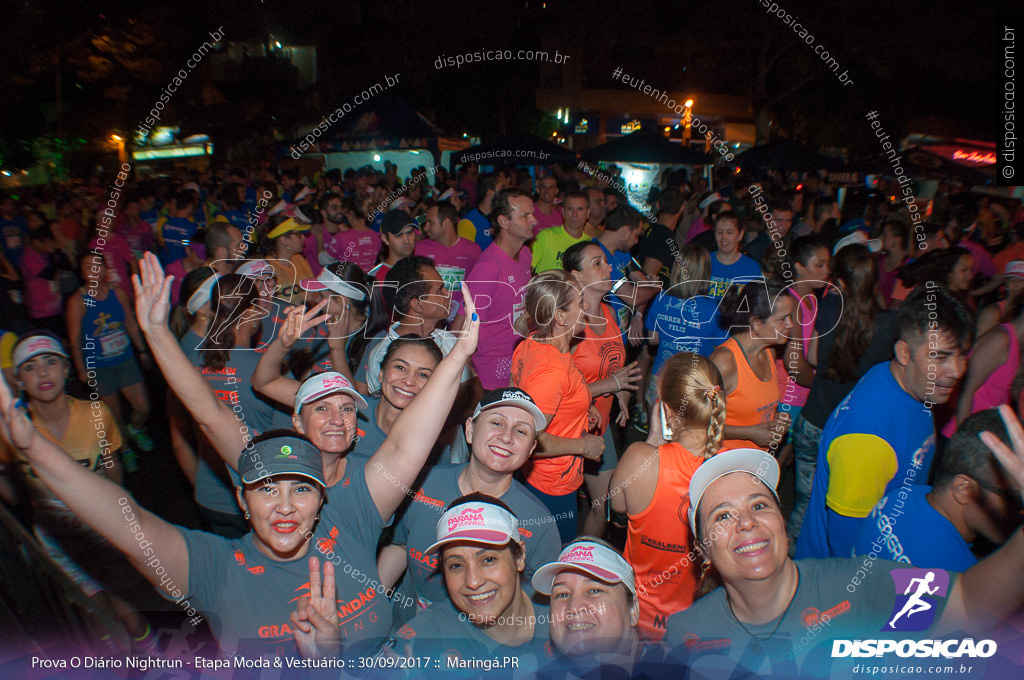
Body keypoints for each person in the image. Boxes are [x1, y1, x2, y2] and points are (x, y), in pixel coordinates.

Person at [130, 252, 481, 651]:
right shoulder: (281, 470)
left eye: (345, 408)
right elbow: (212, 413)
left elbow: (403, 497)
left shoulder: (377, 476)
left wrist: (372, 597)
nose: (335, 418)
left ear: (356, 418)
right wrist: (157, 332)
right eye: (321, 408)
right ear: (298, 421)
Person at [664, 439, 1024, 678]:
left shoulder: (862, 587)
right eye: (723, 516)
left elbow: (969, 602)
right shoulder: (685, 633)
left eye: (760, 505)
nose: (746, 522)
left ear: (782, 523)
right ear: (704, 549)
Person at [0, 333, 156, 652]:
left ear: (67, 368)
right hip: (58, 542)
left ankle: (154, 659)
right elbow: (14, 495)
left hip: (103, 531)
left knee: (129, 612)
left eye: (51, 362)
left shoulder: (95, 413)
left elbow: (113, 466)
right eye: (30, 367)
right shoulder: (13, 433)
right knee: (96, 617)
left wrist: (115, 512)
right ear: (18, 379)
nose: (43, 373)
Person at [795, 285, 973, 559]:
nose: (957, 370)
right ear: (904, 353)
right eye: (940, 356)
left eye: (961, 354)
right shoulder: (867, 441)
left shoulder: (896, 378)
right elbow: (849, 554)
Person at [378, 388, 561, 619]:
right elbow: (399, 546)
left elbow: (542, 602)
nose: (506, 437)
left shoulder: (539, 523)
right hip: (405, 630)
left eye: (521, 431)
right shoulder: (422, 483)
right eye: (496, 423)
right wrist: (369, 609)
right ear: (470, 430)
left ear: (531, 449)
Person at [786, 243, 899, 550]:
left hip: (814, 420)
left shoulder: (827, 309)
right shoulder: (889, 323)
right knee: (839, 510)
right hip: (853, 431)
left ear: (842, 281)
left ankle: (793, 561)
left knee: (804, 501)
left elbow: (810, 357)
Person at [610, 352, 725, 642]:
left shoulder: (639, 460)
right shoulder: (734, 469)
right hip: (701, 622)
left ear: (667, 412)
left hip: (637, 616)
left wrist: (652, 441)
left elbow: (616, 510)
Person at [384, 494, 555, 672]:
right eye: (456, 565)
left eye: (488, 559)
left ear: (519, 557)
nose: (473, 581)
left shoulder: (565, 613)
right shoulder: (424, 641)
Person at [855, 409, 1019, 571]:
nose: (1020, 510)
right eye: (1013, 496)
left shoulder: (900, 497)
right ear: (963, 489)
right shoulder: (955, 578)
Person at [512, 270, 603, 542]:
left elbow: (518, 399)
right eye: (579, 302)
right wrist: (583, 446)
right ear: (561, 316)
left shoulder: (532, 344)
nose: (586, 307)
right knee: (551, 564)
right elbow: (526, 437)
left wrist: (583, 406)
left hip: (540, 481)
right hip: (550, 486)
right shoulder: (552, 371)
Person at [563, 241, 641, 537]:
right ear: (577, 275)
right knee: (562, 512)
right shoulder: (567, 322)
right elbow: (561, 389)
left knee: (604, 505)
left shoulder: (610, 314)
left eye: (606, 262)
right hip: (567, 429)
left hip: (600, 424)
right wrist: (612, 384)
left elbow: (612, 364)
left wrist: (620, 392)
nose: (609, 267)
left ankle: (584, 566)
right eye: (597, 263)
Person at [65, 253, 153, 453]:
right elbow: (74, 338)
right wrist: (81, 368)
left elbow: (130, 324)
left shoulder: (118, 293)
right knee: (115, 414)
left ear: (105, 269)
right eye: (88, 266)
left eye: (98, 265)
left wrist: (142, 350)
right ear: (82, 272)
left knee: (142, 407)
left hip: (125, 359)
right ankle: (124, 449)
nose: (94, 270)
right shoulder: (77, 301)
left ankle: (135, 429)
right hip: (99, 366)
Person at [355, 255, 472, 395]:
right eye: (439, 290)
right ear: (417, 305)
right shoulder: (384, 355)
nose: (447, 293)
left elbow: (469, 394)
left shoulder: (449, 341)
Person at [461, 188, 535, 390]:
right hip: (491, 372)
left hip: (519, 360)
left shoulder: (525, 254)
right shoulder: (488, 267)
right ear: (503, 222)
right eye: (525, 216)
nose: (534, 221)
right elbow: (463, 322)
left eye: (533, 214)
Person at [710, 281, 793, 451]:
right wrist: (747, 433)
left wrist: (775, 420)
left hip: (755, 463)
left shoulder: (769, 352)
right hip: (724, 466)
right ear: (756, 323)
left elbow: (753, 412)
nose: (790, 324)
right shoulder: (723, 363)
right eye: (782, 319)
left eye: (790, 317)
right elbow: (695, 424)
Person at [644, 244, 724, 409]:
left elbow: (652, 340)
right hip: (694, 385)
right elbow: (721, 350)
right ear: (705, 273)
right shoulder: (714, 309)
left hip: (662, 379)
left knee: (656, 431)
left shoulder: (661, 299)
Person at [941, 296, 1024, 439]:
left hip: (982, 438)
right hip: (960, 438)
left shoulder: (1018, 348)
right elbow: (965, 392)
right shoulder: (1000, 339)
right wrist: (964, 440)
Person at [417, 202, 482, 301]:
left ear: (446, 223)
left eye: (431, 223)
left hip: (461, 313)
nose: (425, 228)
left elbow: (479, 288)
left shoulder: (473, 251)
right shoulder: (419, 249)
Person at [707, 211, 763, 300]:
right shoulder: (704, 262)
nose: (723, 237)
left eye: (729, 232)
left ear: (740, 235)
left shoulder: (751, 268)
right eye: (719, 232)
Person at [532, 191, 591, 273]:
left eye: (580, 209)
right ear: (563, 211)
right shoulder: (546, 236)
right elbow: (527, 270)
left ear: (588, 213)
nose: (575, 214)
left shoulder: (589, 243)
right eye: (570, 209)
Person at [264, 215, 314, 306]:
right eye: (298, 234)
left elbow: (313, 293)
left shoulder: (299, 259)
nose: (304, 237)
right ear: (284, 239)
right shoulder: (267, 267)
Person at [458, 171, 508, 249]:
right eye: (502, 188)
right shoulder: (468, 223)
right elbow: (466, 256)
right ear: (490, 192)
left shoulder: (503, 219)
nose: (506, 194)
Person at [368, 210, 419, 283]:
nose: (407, 240)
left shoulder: (423, 271)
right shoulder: (375, 278)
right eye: (399, 235)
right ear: (385, 239)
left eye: (409, 232)